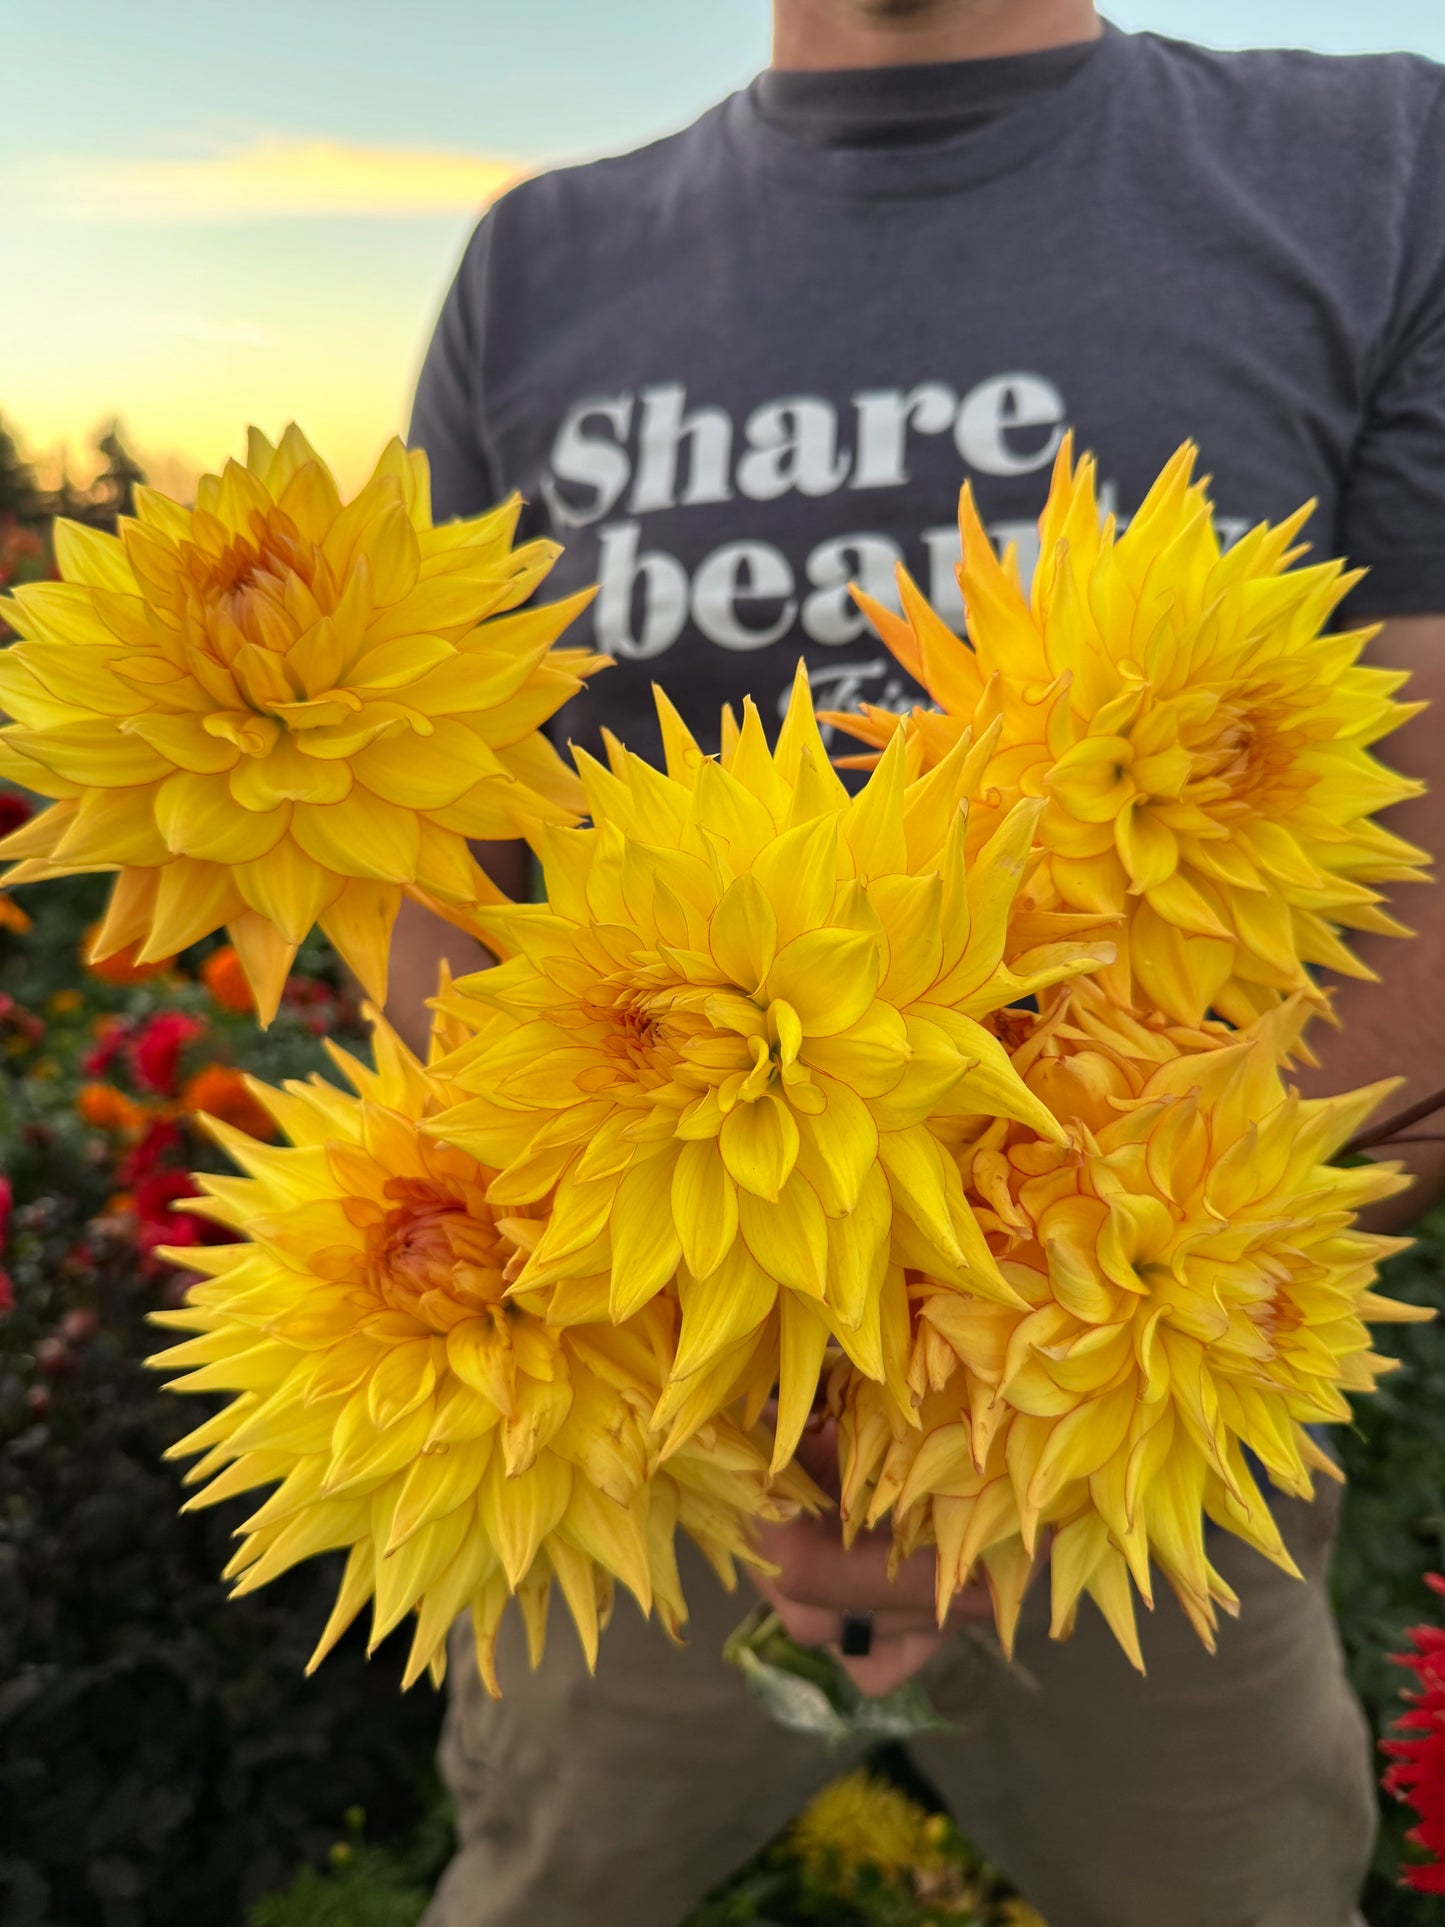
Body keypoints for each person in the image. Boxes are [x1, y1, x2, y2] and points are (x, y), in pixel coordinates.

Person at [398, 3, 1445, 1922]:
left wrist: (984, 1398)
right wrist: (731, 1386)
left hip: (1129, 1403)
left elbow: (1424, 857)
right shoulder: (533, 261)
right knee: (547, 1878)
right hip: (624, 1416)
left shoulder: (1385, 167)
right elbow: (442, 886)